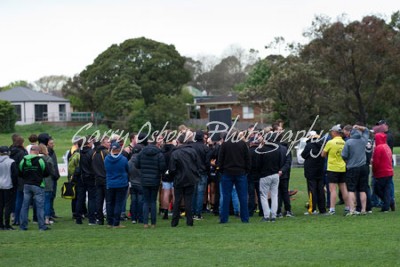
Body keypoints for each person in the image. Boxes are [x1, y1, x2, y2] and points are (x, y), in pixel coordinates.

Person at [218, 129, 250, 224]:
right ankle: (245, 218)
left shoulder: (225, 144)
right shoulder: (243, 144)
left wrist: (221, 170)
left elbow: (220, 159)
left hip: (227, 173)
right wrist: (246, 171)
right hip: (240, 172)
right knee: (243, 196)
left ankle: (224, 219)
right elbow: (247, 159)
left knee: (226, 196)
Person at [169, 133, 201, 227]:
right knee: (188, 200)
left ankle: (174, 222)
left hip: (179, 178)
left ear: (178, 142)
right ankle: (189, 221)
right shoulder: (192, 151)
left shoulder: (175, 153)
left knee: (177, 200)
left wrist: (174, 175)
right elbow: (198, 164)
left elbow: (172, 168)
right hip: (190, 178)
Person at [135, 137, 166, 229]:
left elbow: (137, 165)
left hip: (144, 179)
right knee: (153, 201)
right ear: (156, 143)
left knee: (145, 201)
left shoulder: (141, 153)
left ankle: (145, 223)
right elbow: (162, 167)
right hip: (155, 179)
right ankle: (153, 223)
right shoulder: (159, 154)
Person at [19, 145, 50, 231]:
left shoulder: (23, 160)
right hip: (38, 185)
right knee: (40, 206)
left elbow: (20, 173)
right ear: (37, 151)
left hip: (26, 185)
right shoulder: (40, 160)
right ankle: (41, 226)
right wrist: (40, 175)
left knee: (25, 206)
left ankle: (23, 226)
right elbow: (47, 172)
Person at [341, 124, 369, 215]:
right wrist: (359, 127)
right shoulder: (363, 140)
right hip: (364, 167)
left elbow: (344, 155)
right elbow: (366, 130)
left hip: (352, 167)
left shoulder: (349, 142)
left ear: (351, 133)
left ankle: (352, 210)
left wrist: (347, 162)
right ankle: (363, 210)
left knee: (351, 189)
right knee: (362, 189)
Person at [256, 133, 284, 222]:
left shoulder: (262, 150)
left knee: (264, 196)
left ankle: (266, 215)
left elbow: (258, 164)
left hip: (265, 175)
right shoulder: (277, 150)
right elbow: (281, 162)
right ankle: (274, 216)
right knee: (274, 195)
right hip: (275, 175)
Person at [322, 124, 349, 215]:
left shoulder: (330, 142)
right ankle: (347, 207)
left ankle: (332, 209)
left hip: (332, 168)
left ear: (334, 132)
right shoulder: (344, 142)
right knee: (343, 188)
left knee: (332, 189)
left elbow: (323, 154)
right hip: (342, 167)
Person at [104, 142, 129, 228]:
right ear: (119, 149)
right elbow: (127, 169)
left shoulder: (106, 159)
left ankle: (110, 222)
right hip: (121, 184)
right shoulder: (123, 159)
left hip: (110, 183)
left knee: (110, 203)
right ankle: (116, 222)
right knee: (118, 203)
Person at [301, 132, 326, 215]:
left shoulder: (309, 145)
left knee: (312, 190)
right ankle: (322, 209)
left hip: (311, 171)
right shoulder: (322, 144)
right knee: (321, 190)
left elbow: (303, 155)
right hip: (320, 170)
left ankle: (312, 209)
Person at [75, 137, 96, 225]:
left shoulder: (77, 153)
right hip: (90, 177)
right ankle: (91, 219)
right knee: (91, 199)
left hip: (80, 177)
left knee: (80, 199)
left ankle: (78, 219)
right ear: (87, 143)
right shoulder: (92, 153)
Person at [372, 132, 394, 212]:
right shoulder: (387, 146)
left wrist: (374, 172)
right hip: (389, 171)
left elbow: (376, 162)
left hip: (381, 172)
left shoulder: (379, 148)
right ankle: (388, 204)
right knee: (386, 189)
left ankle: (389, 203)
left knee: (377, 190)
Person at [191, 130, 210, 220]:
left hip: (193, 171)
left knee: (193, 192)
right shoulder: (205, 148)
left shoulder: (191, 146)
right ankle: (198, 213)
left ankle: (192, 212)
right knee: (200, 193)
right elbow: (207, 161)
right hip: (202, 171)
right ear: (203, 137)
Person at [91, 136, 110, 225]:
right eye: (107, 142)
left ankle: (100, 219)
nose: (109, 143)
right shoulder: (105, 152)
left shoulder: (94, 153)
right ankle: (109, 218)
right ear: (102, 143)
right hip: (105, 179)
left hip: (97, 179)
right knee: (108, 200)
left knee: (99, 200)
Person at [9, 135, 27, 226]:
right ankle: (18, 219)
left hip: (11, 177)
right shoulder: (21, 153)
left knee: (14, 199)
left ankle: (13, 217)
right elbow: (23, 166)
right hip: (21, 178)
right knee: (20, 199)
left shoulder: (9, 150)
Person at [128, 136, 146, 224]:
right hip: (140, 183)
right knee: (140, 201)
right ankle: (140, 218)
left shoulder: (129, 161)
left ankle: (133, 218)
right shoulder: (142, 161)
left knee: (133, 201)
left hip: (132, 183)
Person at [0, 146, 18, 230]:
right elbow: (14, 175)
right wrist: (15, 186)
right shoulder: (11, 162)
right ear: (8, 152)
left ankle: (0, 224)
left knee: (0, 205)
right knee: (8, 206)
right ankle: (7, 224)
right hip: (8, 186)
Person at [38, 144, 55, 225]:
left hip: (37, 182)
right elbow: (52, 171)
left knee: (38, 202)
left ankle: (38, 218)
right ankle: (46, 218)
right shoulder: (48, 159)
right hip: (47, 182)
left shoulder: (35, 159)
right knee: (47, 201)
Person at [160, 132, 175, 220]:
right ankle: (175, 211)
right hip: (174, 172)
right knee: (174, 193)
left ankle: (165, 212)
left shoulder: (162, 149)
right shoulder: (175, 149)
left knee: (165, 192)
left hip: (165, 172)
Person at [47, 137, 60, 219]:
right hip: (51, 178)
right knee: (50, 196)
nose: (53, 144)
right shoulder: (48, 153)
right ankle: (49, 214)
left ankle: (51, 212)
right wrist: (55, 175)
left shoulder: (52, 152)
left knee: (52, 196)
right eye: (51, 143)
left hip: (54, 177)